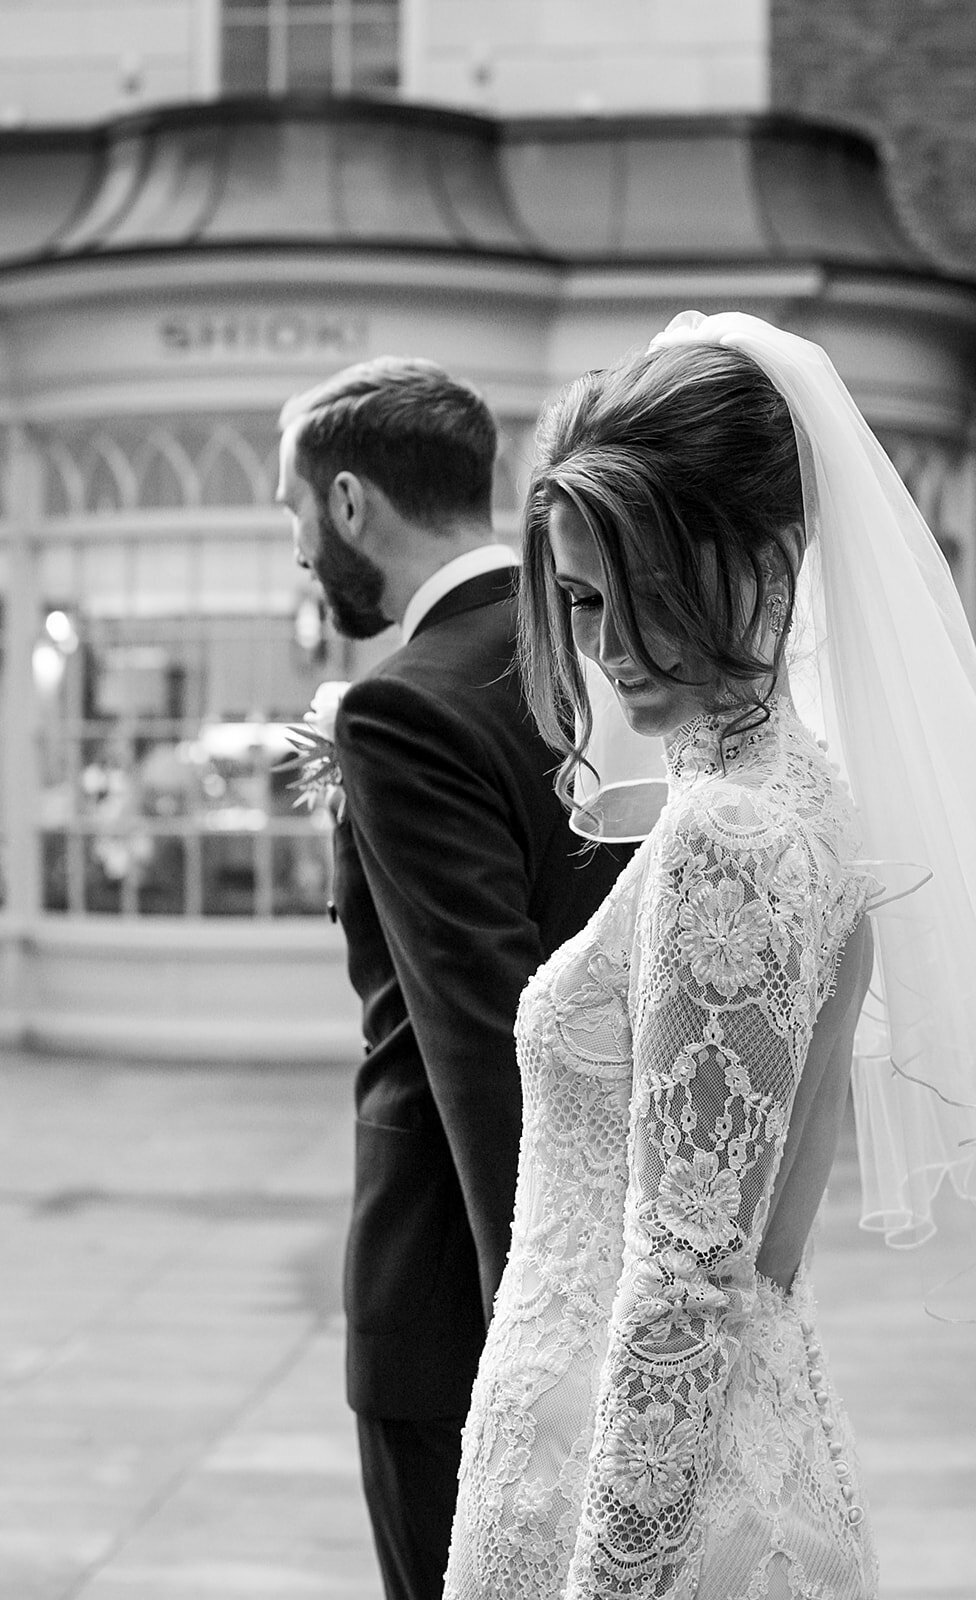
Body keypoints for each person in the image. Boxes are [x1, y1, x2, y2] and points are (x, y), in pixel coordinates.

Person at [441, 312, 976, 1600]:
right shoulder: (801, 800)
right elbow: (763, 1253)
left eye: (636, 590)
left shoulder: (735, 835)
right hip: (664, 1453)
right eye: (583, 598)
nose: (603, 643)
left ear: (762, 560)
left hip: (643, 1495)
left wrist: (612, 1577)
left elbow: (697, 1270)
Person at [276, 357, 632, 1600]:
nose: (300, 554)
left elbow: (483, 1040)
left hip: (453, 1308)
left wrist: (533, 1343)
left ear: (352, 501)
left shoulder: (404, 710)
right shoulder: (605, 665)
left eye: (295, 514)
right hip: (622, 1243)